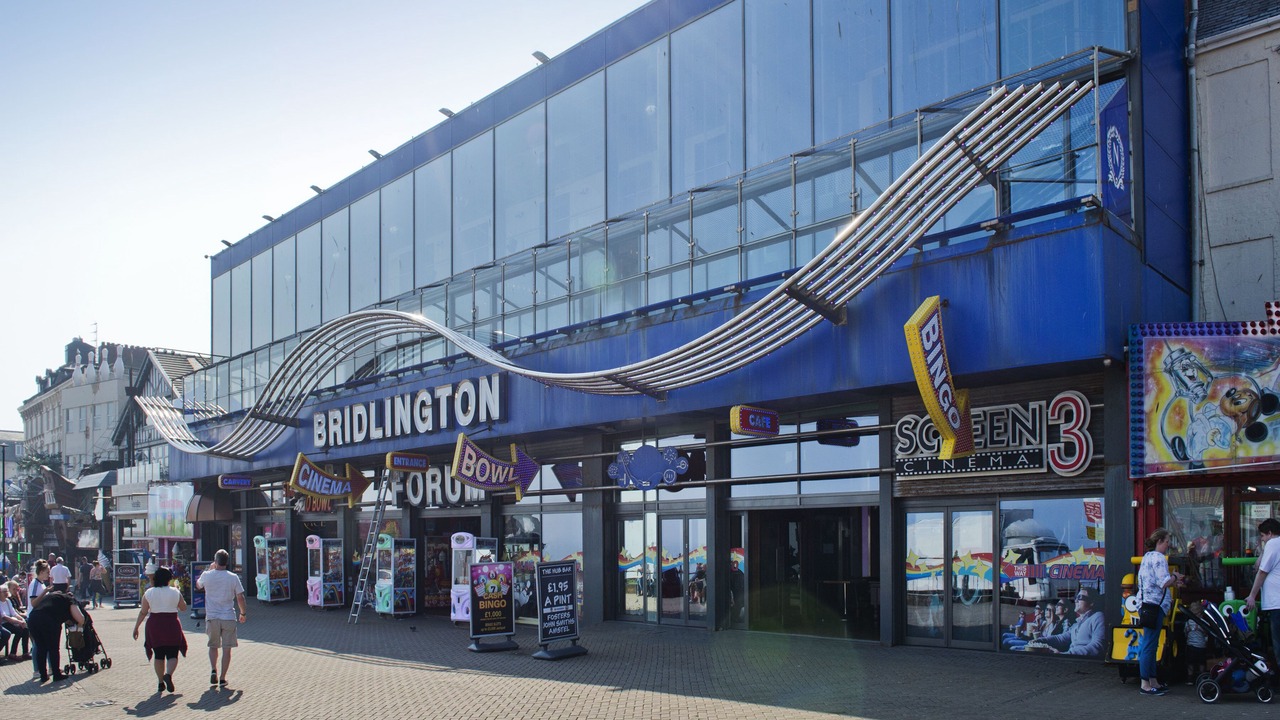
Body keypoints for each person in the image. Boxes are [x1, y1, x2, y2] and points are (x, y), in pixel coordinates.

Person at [1137, 527, 1183, 696]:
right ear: (1159, 541)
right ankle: (1145, 684)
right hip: (1154, 605)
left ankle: (1153, 680)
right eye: (1166, 542)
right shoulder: (1159, 558)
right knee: (1149, 645)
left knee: (1151, 643)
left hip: (1146, 604)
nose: (1168, 546)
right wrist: (1175, 577)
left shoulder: (1146, 557)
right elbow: (1163, 582)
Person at [133, 565, 188, 694]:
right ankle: (168, 674)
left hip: (155, 624)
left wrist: (136, 627)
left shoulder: (149, 593)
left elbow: (143, 612)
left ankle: (160, 682)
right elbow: (184, 608)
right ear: (169, 579)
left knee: (159, 654)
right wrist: (178, 592)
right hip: (171, 623)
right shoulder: (175, 592)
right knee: (172, 653)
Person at [196, 548, 247, 688]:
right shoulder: (233, 577)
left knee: (213, 646)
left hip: (212, 616)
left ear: (215, 560)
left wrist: (209, 569)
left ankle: (213, 669)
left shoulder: (207, 575)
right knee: (227, 648)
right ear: (227, 562)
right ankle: (223, 678)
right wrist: (243, 613)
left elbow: (198, 585)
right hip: (228, 616)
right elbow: (240, 597)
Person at [27, 589, 84, 683]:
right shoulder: (70, 599)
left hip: (33, 618)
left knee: (41, 648)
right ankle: (56, 674)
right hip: (49, 621)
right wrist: (79, 627)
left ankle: (43, 676)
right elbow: (80, 618)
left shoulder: (51, 596)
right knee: (53, 648)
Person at [1245, 517, 1280, 665]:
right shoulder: (1275, 544)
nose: (1262, 539)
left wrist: (1252, 595)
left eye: (1263, 536)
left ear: (1270, 533)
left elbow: (1262, 571)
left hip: (1276, 602)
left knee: (1278, 643)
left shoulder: (1273, 544)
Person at [1040, 586, 1105, 657]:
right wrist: (1040, 641)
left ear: (1091, 602)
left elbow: (1097, 646)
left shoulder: (1098, 616)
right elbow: (1060, 638)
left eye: (1080, 597)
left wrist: (1066, 655)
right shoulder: (1077, 623)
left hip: (1084, 662)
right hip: (1072, 660)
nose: (1076, 601)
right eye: (1075, 598)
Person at [0, 582, 30, 661]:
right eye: (4, 592)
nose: (6, 593)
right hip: (4, 623)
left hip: (11, 621)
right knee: (19, 630)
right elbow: (5, 617)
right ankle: (12, 653)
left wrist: (22, 620)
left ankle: (25, 653)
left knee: (25, 629)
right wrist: (19, 622)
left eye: (7, 591)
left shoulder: (7, 601)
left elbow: (13, 613)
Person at [728, 560, 746, 626]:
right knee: (738, 604)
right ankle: (735, 618)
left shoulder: (737, 572)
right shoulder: (737, 572)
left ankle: (735, 618)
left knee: (738, 604)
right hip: (737, 591)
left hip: (738, 591)